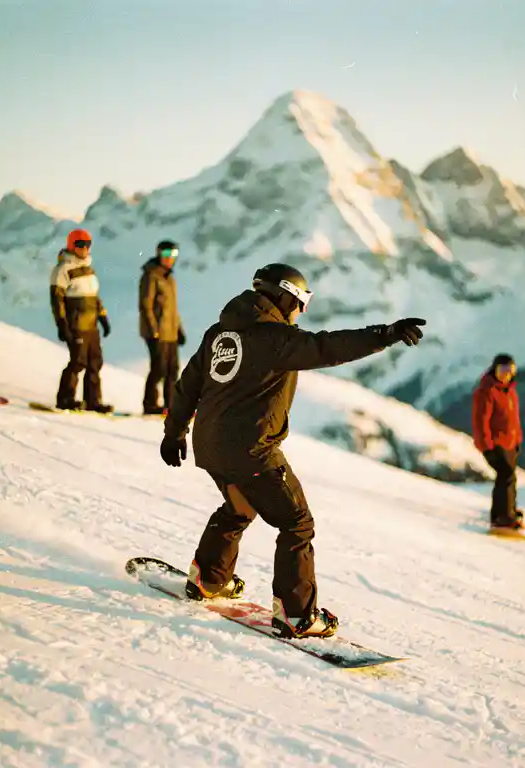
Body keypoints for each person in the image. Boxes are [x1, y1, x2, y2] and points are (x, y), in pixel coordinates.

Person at [159, 263, 426, 639]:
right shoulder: (273, 338)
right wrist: (384, 334)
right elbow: (327, 347)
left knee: (239, 508)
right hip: (251, 450)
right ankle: (296, 615)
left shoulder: (220, 333)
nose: (302, 311)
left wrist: (174, 433)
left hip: (210, 445)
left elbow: (188, 386)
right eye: (301, 302)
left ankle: (207, 579)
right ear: (285, 297)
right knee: (297, 523)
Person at [49, 228, 113, 413]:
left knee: (95, 362)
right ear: (71, 245)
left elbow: (93, 296)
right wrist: (61, 324)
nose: (84, 249)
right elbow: (57, 299)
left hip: (91, 325)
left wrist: (102, 316)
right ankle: (65, 399)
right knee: (78, 361)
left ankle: (93, 401)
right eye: (80, 245)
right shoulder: (62, 270)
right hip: (76, 324)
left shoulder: (88, 268)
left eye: (87, 245)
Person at [472, 353, 524, 530]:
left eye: (510, 371)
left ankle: (508, 510)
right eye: (502, 370)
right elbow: (480, 421)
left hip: (510, 443)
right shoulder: (486, 391)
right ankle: (502, 517)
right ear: (494, 369)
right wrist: (487, 446)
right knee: (506, 475)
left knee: (510, 477)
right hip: (495, 443)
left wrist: (517, 440)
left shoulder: (510, 391)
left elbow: (514, 418)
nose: (506, 375)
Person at [139, 240, 186, 415]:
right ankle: (150, 405)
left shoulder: (169, 278)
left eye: (173, 255)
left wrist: (179, 330)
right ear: (159, 254)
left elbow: (172, 308)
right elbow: (146, 305)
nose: (170, 259)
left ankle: (171, 405)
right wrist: (153, 331)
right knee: (159, 368)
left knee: (173, 370)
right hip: (156, 332)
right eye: (166, 255)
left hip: (170, 332)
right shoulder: (151, 276)